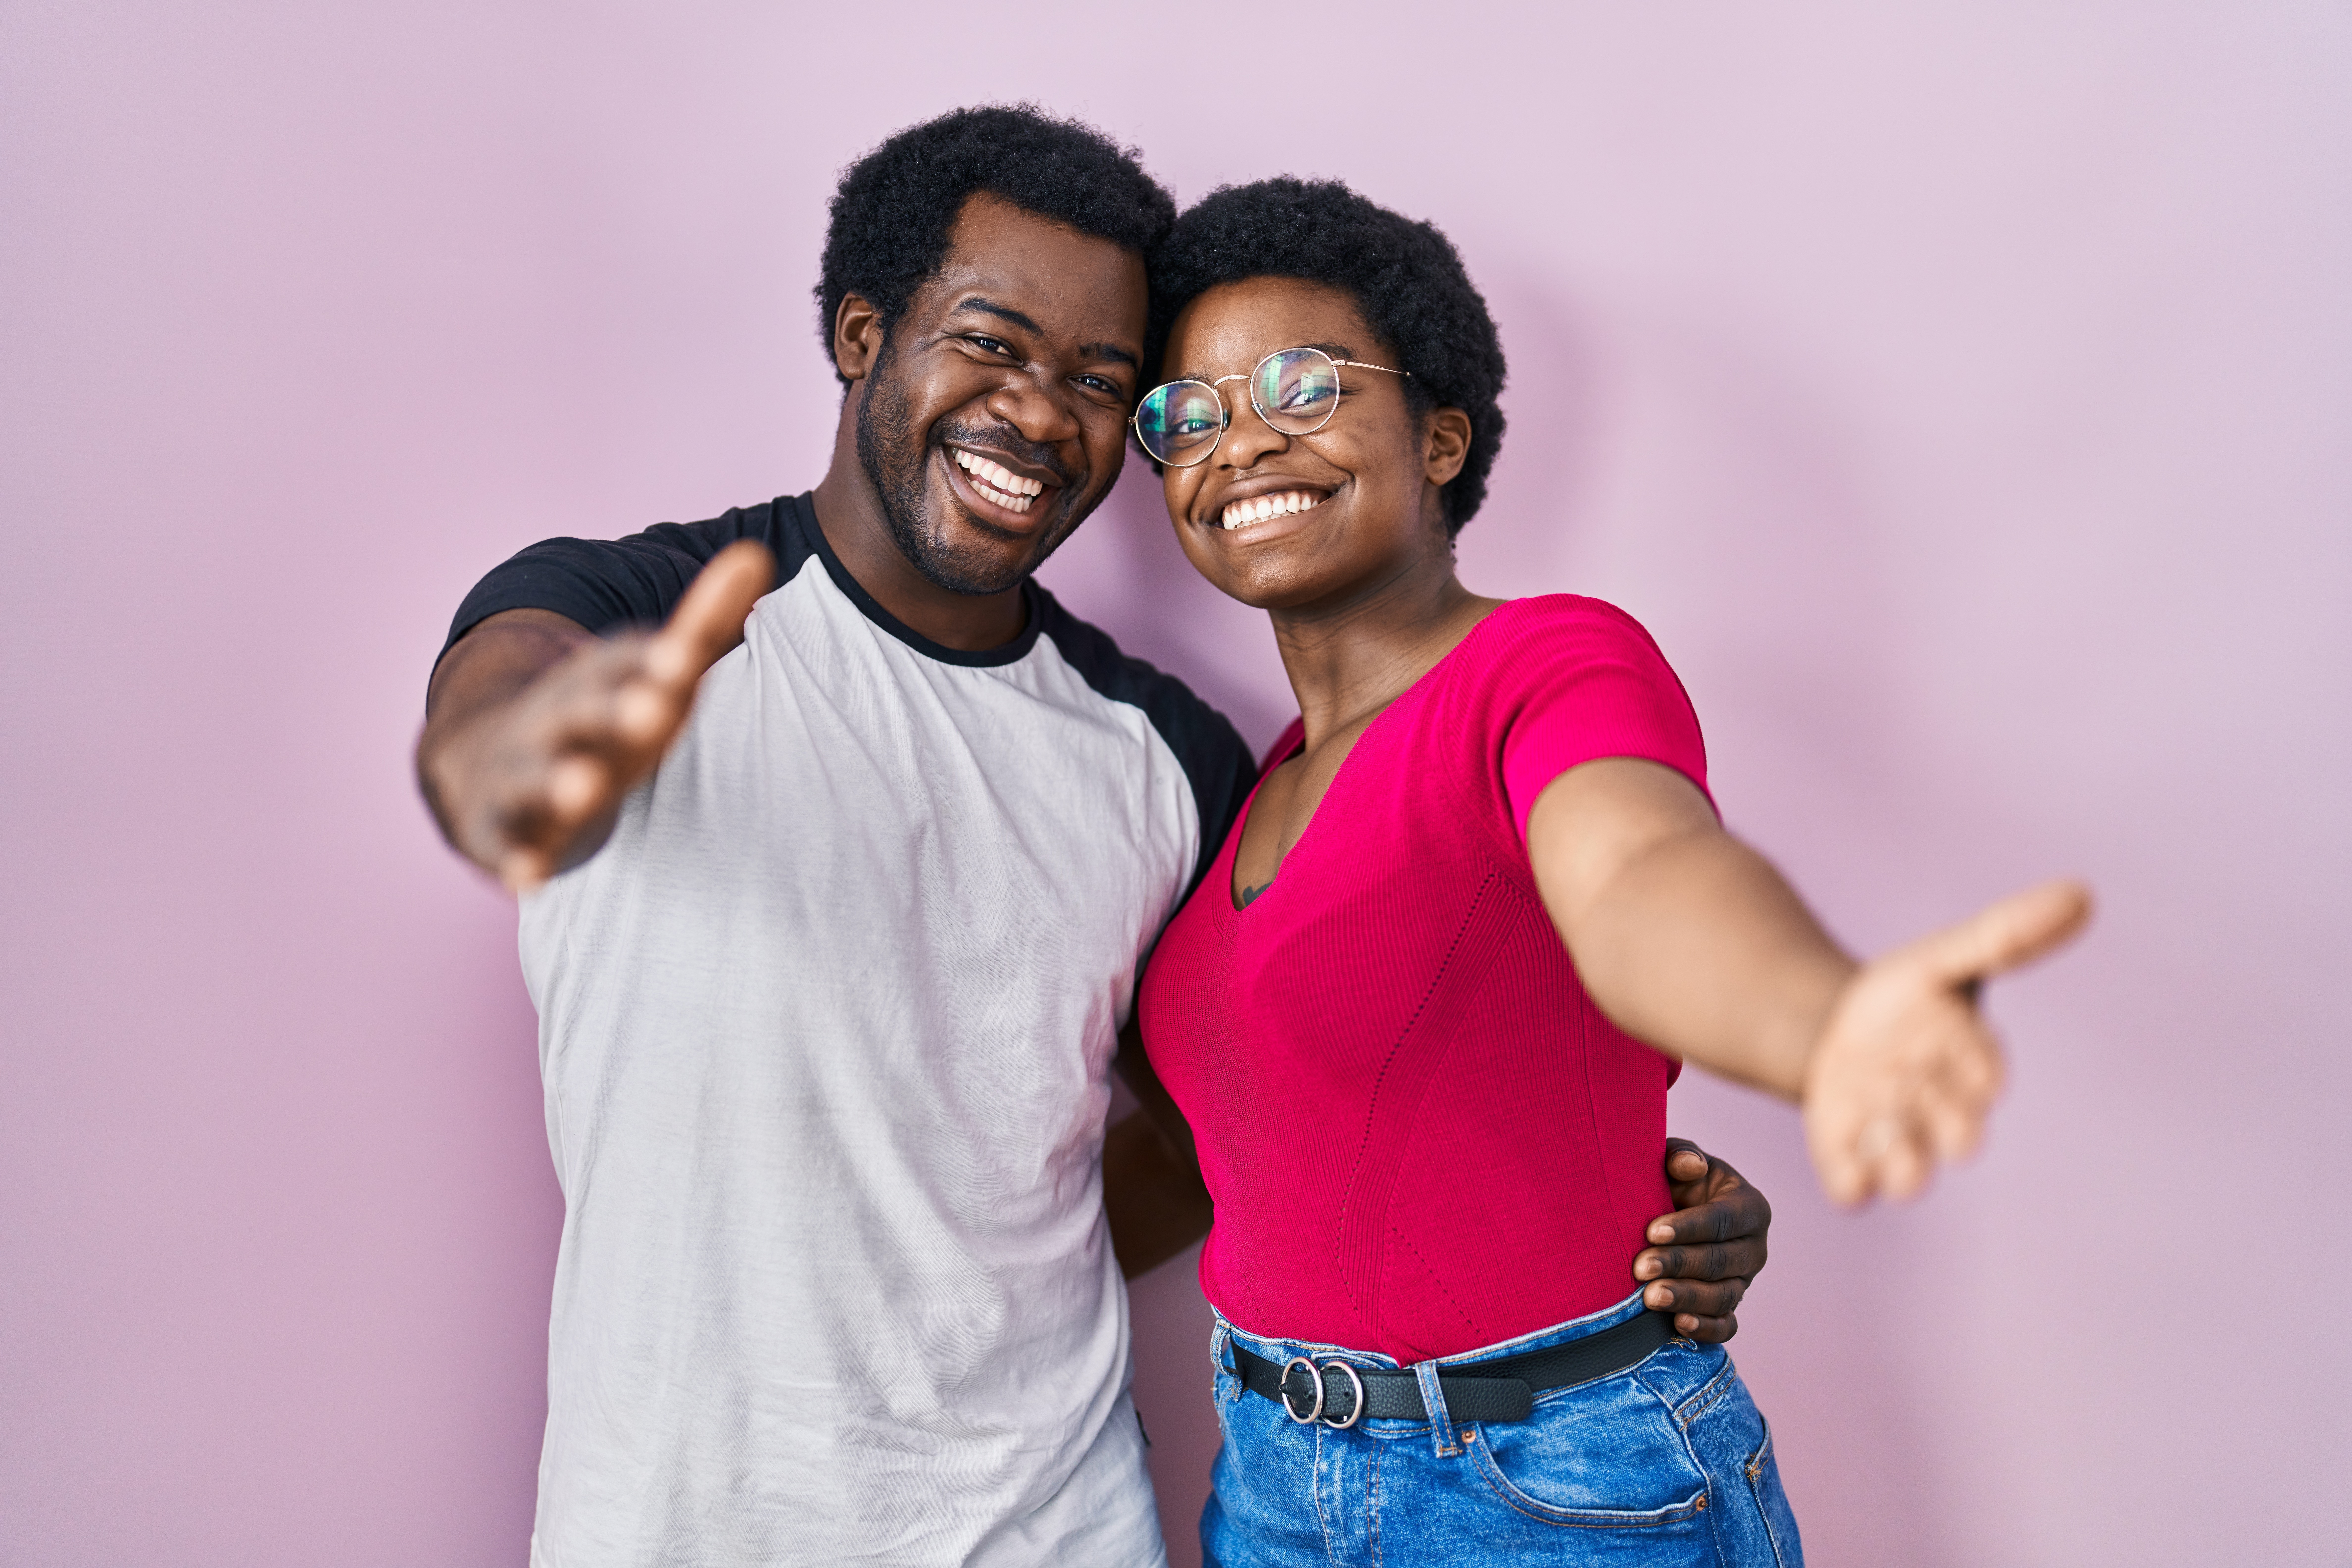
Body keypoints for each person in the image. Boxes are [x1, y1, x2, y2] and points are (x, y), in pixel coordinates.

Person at [417, 109, 1775, 1567]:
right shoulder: (639, 621)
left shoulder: (1176, 759)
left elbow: (1262, 1100)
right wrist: (515, 765)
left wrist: (1622, 1202)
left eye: (1099, 382)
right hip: (678, 1524)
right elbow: (488, 725)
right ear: (862, 331)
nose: (1040, 413)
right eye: (992, 345)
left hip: (1056, 1523)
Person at [1125, 179, 2091, 1566]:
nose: (1240, 442)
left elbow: (1636, 865)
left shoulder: (1542, 664)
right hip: (1275, 1479)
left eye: (1301, 384)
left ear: (1441, 434)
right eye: (1188, 416)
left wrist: (1822, 1021)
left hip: (1555, 1489)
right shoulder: (1249, 784)